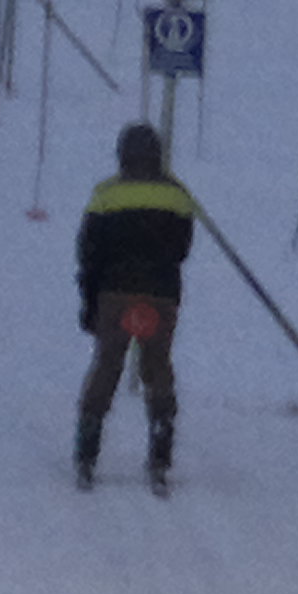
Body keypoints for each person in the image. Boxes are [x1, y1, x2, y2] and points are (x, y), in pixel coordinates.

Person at [74, 121, 197, 492]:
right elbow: (182, 250)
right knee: (157, 368)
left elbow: (89, 252)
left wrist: (89, 300)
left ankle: (86, 451)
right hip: (161, 293)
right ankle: (160, 452)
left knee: (107, 366)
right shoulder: (178, 195)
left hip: (114, 292)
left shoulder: (105, 195)